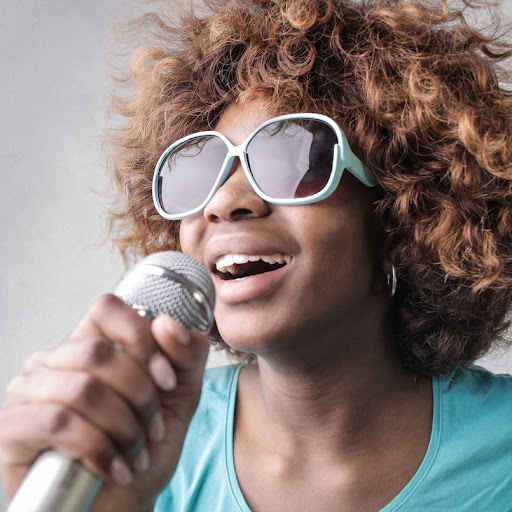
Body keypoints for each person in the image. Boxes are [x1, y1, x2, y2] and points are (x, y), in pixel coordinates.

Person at [1, 0, 512, 510]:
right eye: (200, 170)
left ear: (399, 219)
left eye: (291, 160)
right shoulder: (135, 447)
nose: (223, 201)